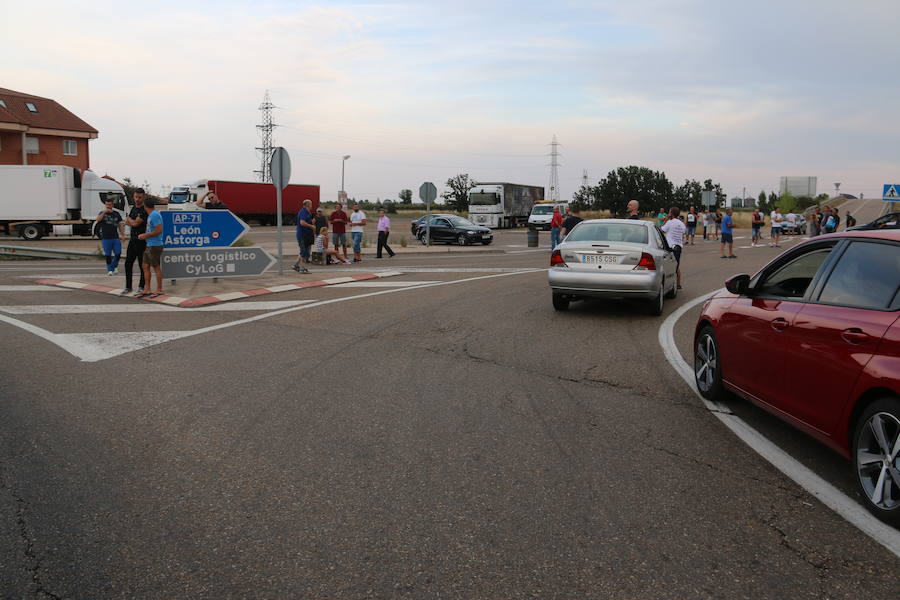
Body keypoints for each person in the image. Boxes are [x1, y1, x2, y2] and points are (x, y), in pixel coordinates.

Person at [136, 198, 164, 298]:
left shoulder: (155, 215)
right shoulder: (151, 215)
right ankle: (147, 289)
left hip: (155, 245)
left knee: (156, 267)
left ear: (145, 206)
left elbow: (159, 230)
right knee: (145, 266)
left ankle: (159, 289)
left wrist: (145, 235)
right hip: (149, 245)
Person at [123, 188, 148, 294]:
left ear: (143, 197)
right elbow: (127, 220)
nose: (137, 199)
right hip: (132, 240)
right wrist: (130, 221)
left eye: (139, 197)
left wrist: (130, 221)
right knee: (128, 263)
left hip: (142, 241)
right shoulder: (133, 208)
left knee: (142, 265)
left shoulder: (144, 209)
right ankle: (128, 287)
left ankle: (141, 286)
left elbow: (135, 224)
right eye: (136, 197)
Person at [95, 198, 125, 276]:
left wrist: (122, 235)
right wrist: (104, 212)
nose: (108, 206)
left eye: (109, 204)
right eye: (106, 204)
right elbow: (98, 220)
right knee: (108, 255)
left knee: (118, 253)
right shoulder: (102, 213)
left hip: (115, 237)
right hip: (106, 238)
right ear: (105, 205)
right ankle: (110, 270)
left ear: (112, 205)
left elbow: (120, 225)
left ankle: (114, 266)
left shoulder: (116, 213)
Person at [661, 206, 686, 289]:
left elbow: (662, 230)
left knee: (669, 266)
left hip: (671, 246)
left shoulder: (669, 222)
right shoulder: (681, 223)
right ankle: (678, 284)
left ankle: (670, 284)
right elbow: (683, 232)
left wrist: (665, 220)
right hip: (678, 246)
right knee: (676, 266)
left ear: (671, 213)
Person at [292, 200, 315, 273]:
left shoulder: (307, 212)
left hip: (306, 234)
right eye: (311, 204)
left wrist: (312, 223)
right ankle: (302, 269)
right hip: (303, 235)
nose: (312, 206)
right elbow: (302, 222)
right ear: (308, 205)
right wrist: (311, 226)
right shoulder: (303, 212)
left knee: (303, 251)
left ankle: (295, 265)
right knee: (304, 252)